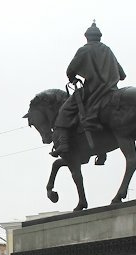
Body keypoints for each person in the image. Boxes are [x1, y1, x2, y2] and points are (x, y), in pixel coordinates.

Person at [52, 21, 126, 163]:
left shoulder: (84, 50)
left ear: (87, 37)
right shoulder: (108, 50)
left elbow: (70, 70)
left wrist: (73, 78)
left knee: (65, 110)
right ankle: (102, 151)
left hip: (93, 90)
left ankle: (64, 143)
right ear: (99, 37)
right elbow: (122, 75)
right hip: (111, 90)